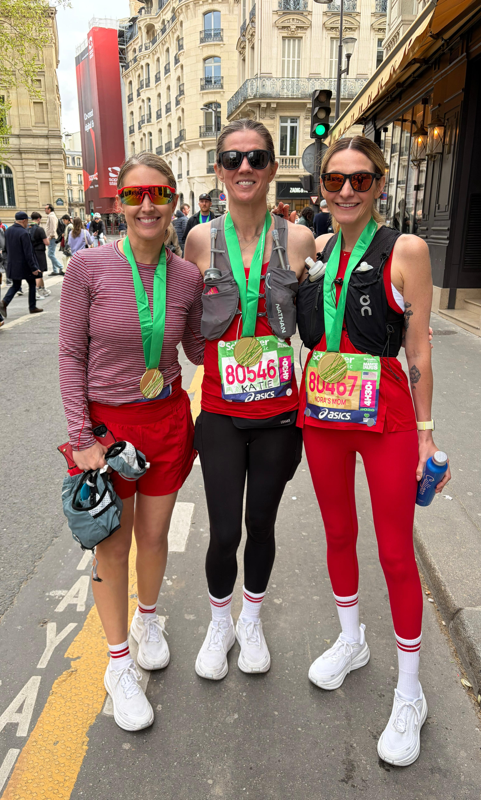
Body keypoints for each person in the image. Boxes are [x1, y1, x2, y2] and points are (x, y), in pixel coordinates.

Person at [298, 135, 450, 767]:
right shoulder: (319, 251)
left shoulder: (405, 250)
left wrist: (427, 433)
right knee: (337, 533)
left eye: (361, 180)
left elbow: (419, 351)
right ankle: (352, 640)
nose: (347, 191)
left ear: (380, 185)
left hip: (384, 410)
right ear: (322, 190)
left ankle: (410, 691)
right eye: (335, 181)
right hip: (324, 411)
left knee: (394, 550)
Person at [59, 153, 204, 732]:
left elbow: (196, 347)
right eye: (135, 195)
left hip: (167, 420)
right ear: (120, 203)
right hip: (107, 432)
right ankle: (117, 664)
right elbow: (70, 356)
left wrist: (256, 326)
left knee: (154, 535)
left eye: (159, 193)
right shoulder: (87, 268)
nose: (148, 205)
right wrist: (81, 438)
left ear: (174, 200)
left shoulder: (188, 276)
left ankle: (148, 619)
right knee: (112, 547)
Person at [184, 119, 315, 680]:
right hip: (218, 411)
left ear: (273, 169)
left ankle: (252, 619)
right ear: (219, 169)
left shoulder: (301, 240)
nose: (244, 168)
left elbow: (319, 323)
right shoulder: (198, 240)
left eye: (256, 158)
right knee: (223, 531)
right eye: (233, 159)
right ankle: (220, 622)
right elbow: (182, 323)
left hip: (278, 415)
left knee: (261, 524)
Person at [0, 212, 43, 317]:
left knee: (16, 285)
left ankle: (4, 302)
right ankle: (32, 307)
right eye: (27, 221)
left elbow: (5, 248)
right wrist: (34, 267)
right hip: (25, 265)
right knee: (32, 284)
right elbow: (28, 252)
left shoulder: (8, 231)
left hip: (12, 263)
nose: (27, 223)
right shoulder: (24, 233)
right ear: (24, 220)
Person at [29, 211, 51, 299]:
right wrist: (48, 239)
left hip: (31, 251)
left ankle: (42, 288)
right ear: (39, 219)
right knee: (39, 271)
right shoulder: (39, 229)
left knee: (38, 271)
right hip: (39, 251)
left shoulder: (27, 228)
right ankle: (37, 290)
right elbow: (47, 242)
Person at [44, 203, 64, 275]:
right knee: (52, 253)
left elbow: (53, 228)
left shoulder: (52, 217)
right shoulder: (50, 216)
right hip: (51, 237)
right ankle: (55, 270)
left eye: (46, 208)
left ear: (49, 209)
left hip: (52, 238)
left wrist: (50, 237)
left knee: (50, 254)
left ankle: (62, 267)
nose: (45, 210)